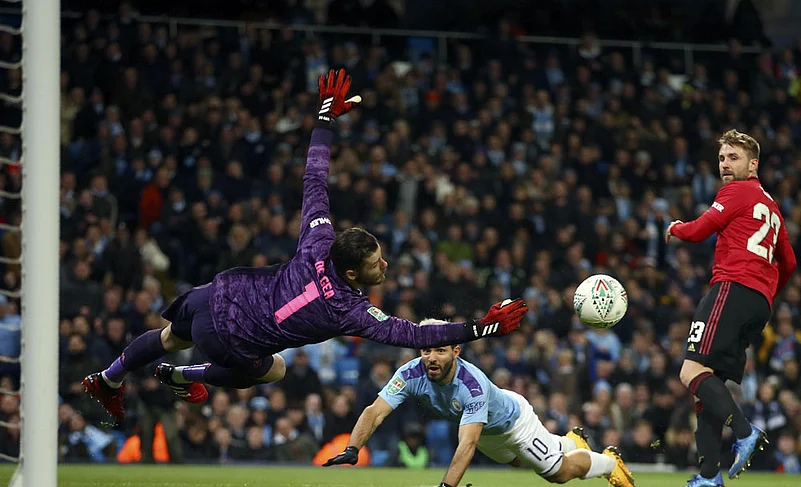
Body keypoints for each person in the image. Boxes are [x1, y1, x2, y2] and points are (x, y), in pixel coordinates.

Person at [83, 69, 528, 421]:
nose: (385, 266)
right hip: (226, 339)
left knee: (168, 336)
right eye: (376, 264)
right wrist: (481, 328)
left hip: (215, 296)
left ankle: (108, 378)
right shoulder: (348, 310)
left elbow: (315, 176)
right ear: (352, 273)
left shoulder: (319, 240)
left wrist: (325, 118)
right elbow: (415, 334)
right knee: (273, 369)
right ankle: (183, 375)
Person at [323, 319, 635, 487]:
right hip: (488, 432)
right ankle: (569, 442)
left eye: (440, 350)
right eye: (427, 350)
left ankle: (609, 463)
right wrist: (353, 447)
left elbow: (468, 442)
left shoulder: (471, 385)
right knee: (519, 462)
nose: (431, 357)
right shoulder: (410, 373)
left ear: (456, 352)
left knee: (557, 473)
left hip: (514, 423)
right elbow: (375, 411)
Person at [666, 129, 797, 487]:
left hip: (731, 288)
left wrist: (675, 227)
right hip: (758, 303)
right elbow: (788, 262)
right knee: (708, 386)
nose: (725, 164)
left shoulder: (737, 191)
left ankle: (744, 432)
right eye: (722, 158)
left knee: (690, 371)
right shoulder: (772, 207)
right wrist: (767, 290)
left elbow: (698, 230)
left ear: (753, 165)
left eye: (733, 158)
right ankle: (709, 474)